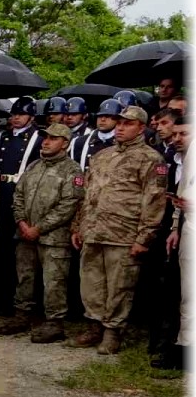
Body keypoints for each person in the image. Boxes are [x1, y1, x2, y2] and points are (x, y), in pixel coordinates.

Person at [68, 106, 167, 355]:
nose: (121, 127)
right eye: (119, 123)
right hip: (93, 230)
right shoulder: (102, 155)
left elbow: (154, 200)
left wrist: (145, 237)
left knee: (119, 286)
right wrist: (78, 225)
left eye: (127, 124)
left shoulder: (151, 159)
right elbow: (87, 194)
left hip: (123, 232)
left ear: (141, 128)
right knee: (91, 283)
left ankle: (113, 331)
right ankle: (93, 325)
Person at [0, 124, 85, 343]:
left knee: (54, 281)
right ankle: (22, 316)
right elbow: (18, 197)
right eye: (45, 137)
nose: (46, 142)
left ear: (64, 143)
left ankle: (54, 323)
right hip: (25, 234)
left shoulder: (72, 170)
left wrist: (40, 228)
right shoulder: (34, 166)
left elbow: (69, 205)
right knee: (24, 277)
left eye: (53, 138)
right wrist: (22, 223)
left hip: (54, 239)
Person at [0, 95, 41, 317]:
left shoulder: (38, 139)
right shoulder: (0, 137)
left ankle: (14, 300)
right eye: (13, 114)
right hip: (0, 193)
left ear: (31, 117)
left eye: (21, 114)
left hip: (22, 193)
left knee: (17, 251)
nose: (15, 118)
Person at [150, 117, 187, 369]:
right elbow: (179, 197)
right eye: (175, 135)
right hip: (183, 231)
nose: (176, 138)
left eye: (183, 133)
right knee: (177, 292)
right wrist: (175, 227)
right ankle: (174, 345)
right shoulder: (181, 161)